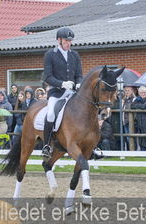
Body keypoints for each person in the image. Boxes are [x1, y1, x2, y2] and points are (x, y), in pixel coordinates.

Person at [42, 27, 83, 157]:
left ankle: (90, 144)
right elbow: (47, 77)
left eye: (70, 41)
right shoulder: (50, 54)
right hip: (56, 92)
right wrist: (62, 84)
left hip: (72, 93)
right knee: (50, 115)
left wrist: (78, 83)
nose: (68, 43)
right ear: (59, 40)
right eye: (66, 40)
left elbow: (79, 74)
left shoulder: (75, 55)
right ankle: (47, 145)